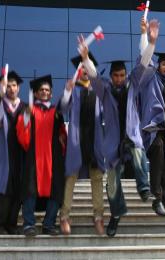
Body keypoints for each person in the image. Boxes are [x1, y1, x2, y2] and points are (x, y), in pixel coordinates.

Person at [80, 20, 153, 237]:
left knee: (139, 153)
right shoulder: (104, 89)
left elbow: (144, 62)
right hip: (113, 142)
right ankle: (116, 214)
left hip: (131, 135)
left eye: (122, 75)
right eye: (116, 76)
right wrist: (85, 58)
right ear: (111, 76)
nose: (119, 79)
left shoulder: (134, 83)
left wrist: (150, 41)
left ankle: (144, 187)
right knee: (111, 184)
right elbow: (93, 75)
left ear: (126, 74)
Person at [59, 52, 110, 236]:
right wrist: (67, 91)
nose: (85, 71)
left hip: (95, 140)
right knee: (70, 177)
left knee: (97, 178)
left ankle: (98, 217)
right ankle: (64, 216)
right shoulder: (74, 89)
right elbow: (62, 108)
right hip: (77, 140)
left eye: (88, 68)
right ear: (78, 71)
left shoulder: (100, 90)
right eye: (82, 68)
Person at [139, 27, 165, 217]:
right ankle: (156, 200)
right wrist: (147, 37)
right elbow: (144, 58)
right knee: (157, 157)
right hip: (153, 128)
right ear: (157, 65)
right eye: (164, 64)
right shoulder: (150, 78)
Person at [16, 75, 67, 237]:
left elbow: (62, 133)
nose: (44, 92)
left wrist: (63, 138)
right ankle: (29, 224)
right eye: (41, 90)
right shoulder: (29, 110)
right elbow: (21, 130)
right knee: (30, 189)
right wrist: (27, 114)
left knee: (55, 190)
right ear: (36, 94)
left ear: (51, 94)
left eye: (47, 90)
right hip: (34, 157)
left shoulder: (56, 111)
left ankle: (49, 224)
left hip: (53, 157)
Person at [0, 71, 26, 235]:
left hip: (21, 154)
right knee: (4, 189)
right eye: (8, 86)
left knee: (18, 190)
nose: (11, 89)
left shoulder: (25, 107)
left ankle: (11, 224)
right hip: (4, 153)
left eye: (14, 85)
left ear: (18, 87)